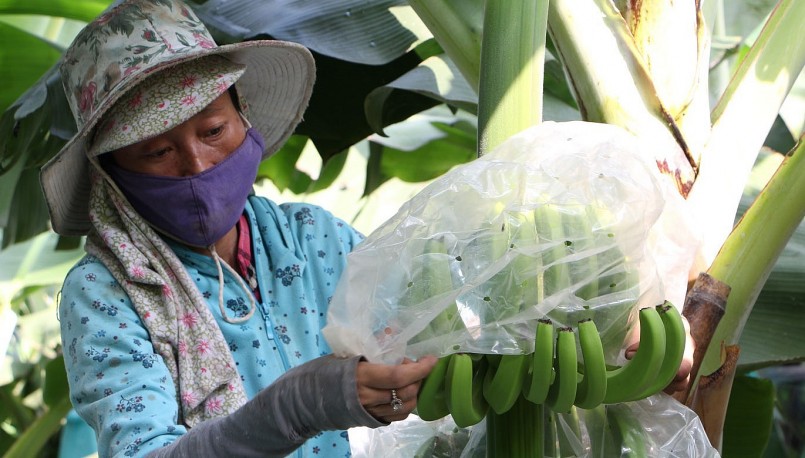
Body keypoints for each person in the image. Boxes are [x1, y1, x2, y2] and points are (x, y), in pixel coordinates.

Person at [41, 1, 436, 456]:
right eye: (156, 151)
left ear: (243, 117)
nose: (196, 165)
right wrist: (299, 405)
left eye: (212, 131)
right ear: (112, 173)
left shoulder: (314, 238)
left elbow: (420, 324)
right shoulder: (106, 293)